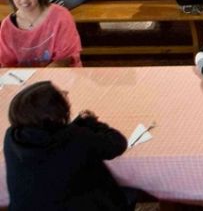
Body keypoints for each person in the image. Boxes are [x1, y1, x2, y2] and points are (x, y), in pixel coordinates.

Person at [4, 79, 131, 209]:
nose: (66, 94)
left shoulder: (11, 137)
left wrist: (77, 126)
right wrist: (92, 122)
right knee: (127, 193)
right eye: (62, 96)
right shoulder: (75, 137)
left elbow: (51, 137)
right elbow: (117, 143)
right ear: (53, 113)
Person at [0, 0, 82, 68]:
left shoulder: (60, 16)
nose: (24, 0)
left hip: (60, 74)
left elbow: (64, 59)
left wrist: (40, 79)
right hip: (25, 79)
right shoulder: (7, 25)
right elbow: (7, 63)